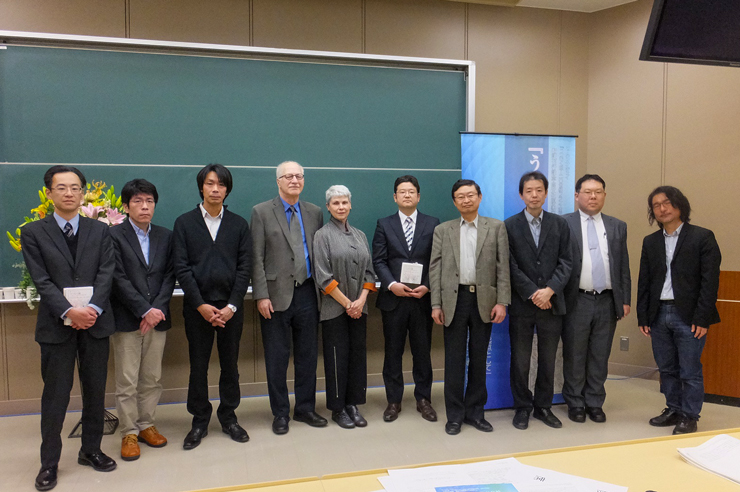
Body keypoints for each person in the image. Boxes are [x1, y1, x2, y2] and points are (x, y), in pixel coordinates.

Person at [21, 165, 117, 491]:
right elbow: (41, 281)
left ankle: (91, 450)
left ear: (83, 192)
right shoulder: (33, 232)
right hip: (56, 326)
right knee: (56, 396)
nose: (69, 193)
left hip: (95, 323)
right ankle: (49, 463)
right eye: (61, 188)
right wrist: (68, 311)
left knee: (95, 392)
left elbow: (107, 273)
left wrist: (91, 309)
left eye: (75, 188)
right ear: (49, 193)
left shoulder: (101, 230)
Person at [173, 163, 252, 449]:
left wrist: (231, 306)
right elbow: (181, 269)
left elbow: (245, 269)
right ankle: (199, 421)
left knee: (230, 365)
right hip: (198, 309)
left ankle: (229, 417)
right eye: (209, 183)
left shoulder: (239, 224)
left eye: (220, 184)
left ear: (227, 189)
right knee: (198, 366)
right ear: (201, 187)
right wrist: (201, 305)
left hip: (231, 309)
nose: (215, 189)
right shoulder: (184, 223)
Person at [250, 161, 327, 435]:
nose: (294, 180)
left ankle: (305, 408)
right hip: (275, 296)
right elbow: (256, 257)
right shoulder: (261, 212)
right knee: (277, 358)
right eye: (288, 176)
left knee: (307, 356)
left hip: (307, 292)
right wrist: (260, 295)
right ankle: (280, 413)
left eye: (299, 176)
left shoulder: (315, 212)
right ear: (278, 181)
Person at [429, 179, 510, 435]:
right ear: (454, 202)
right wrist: (436, 303)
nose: (466, 200)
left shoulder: (496, 228)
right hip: (454, 300)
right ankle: (454, 415)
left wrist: (502, 301)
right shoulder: (443, 230)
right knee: (453, 361)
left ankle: (475, 412)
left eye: (470, 195)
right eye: (460, 197)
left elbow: (503, 267)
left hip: (484, 301)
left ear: (480, 197)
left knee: (478, 359)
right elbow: (435, 268)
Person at [638, 186, 721, 435]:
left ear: (679, 205)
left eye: (667, 203)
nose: (662, 208)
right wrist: (644, 316)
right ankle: (673, 408)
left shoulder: (702, 237)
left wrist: (702, 316)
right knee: (667, 368)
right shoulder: (651, 242)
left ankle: (690, 415)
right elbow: (645, 281)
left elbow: (710, 281)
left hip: (689, 316)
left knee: (690, 370)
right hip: (659, 313)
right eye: (656, 205)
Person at [110, 179, 175, 460]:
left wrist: (156, 308)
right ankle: (129, 432)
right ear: (125, 206)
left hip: (157, 317)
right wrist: (142, 309)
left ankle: (147, 424)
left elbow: (170, 275)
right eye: (138, 201)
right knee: (127, 380)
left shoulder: (165, 236)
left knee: (152, 377)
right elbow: (116, 277)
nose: (145, 206)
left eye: (149, 201)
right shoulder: (113, 235)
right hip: (127, 319)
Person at [505, 171, 572, 431]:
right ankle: (522, 407)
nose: (534, 195)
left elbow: (567, 261)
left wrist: (550, 290)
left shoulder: (559, 224)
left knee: (547, 359)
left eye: (539, 190)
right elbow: (509, 265)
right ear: (521, 194)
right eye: (529, 190)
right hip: (523, 304)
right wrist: (534, 292)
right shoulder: (509, 225)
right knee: (520, 360)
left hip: (552, 303)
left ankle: (543, 407)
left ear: (545, 192)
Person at [562, 174, 631, 424]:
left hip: (607, 300)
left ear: (604, 195)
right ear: (576, 195)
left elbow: (622, 265)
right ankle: (575, 402)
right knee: (575, 354)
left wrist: (624, 298)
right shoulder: (563, 223)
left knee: (600, 355)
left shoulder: (617, 226)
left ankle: (594, 401)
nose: (593, 196)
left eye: (598, 191)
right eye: (588, 191)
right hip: (576, 300)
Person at [372, 176, 440, 423]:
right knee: (393, 352)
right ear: (395, 197)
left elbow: (438, 261)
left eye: (411, 191)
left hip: (423, 299)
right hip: (394, 300)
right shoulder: (384, 224)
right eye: (402, 192)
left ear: (419, 196)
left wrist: (428, 287)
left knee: (422, 353)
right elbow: (378, 260)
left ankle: (424, 399)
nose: (407, 195)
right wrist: (392, 284)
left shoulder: (433, 223)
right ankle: (393, 401)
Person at [313, 185, 377, 429]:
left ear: (351, 205)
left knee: (357, 357)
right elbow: (322, 277)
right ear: (328, 207)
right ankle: (338, 408)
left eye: (344, 202)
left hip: (360, 308)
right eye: (335, 203)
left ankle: (353, 404)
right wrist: (348, 303)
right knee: (337, 359)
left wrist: (360, 301)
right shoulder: (322, 235)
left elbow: (370, 273)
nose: (341, 207)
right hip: (334, 309)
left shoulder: (360, 235)